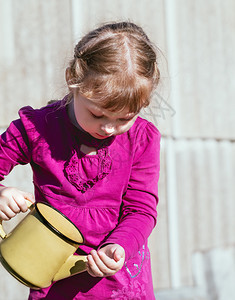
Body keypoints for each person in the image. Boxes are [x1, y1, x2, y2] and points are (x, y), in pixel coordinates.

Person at [0, 21, 161, 299]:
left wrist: (120, 247)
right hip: (52, 282)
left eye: (125, 118)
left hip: (119, 283)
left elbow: (141, 210)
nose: (109, 128)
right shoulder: (38, 128)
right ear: (72, 81)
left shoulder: (142, 140)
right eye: (97, 114)